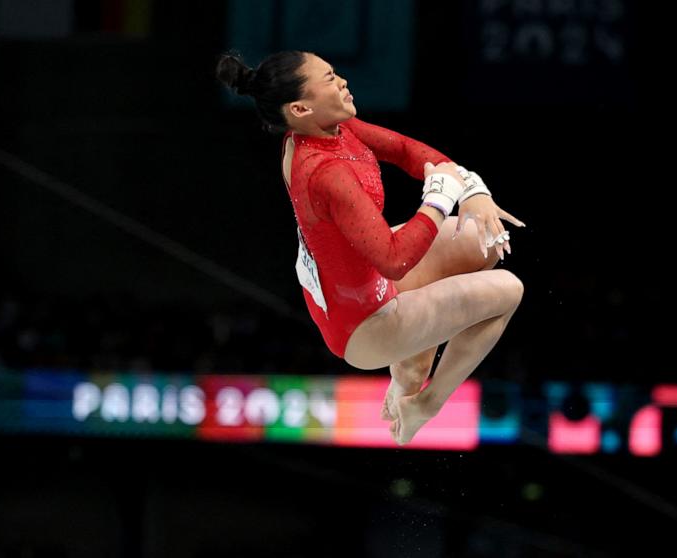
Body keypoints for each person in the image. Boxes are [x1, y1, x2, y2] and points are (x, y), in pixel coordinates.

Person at [217, 51, 525, 445]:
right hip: (365, 325)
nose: (343, 81)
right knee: (508, 290)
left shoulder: (332, 129)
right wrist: (438, 200)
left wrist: (473, 191)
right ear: (300, 106)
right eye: (329, 78)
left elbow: (405, 151)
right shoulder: (324, 173)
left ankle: (409, 370)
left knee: (486, 238)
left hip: (358, 282)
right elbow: (395, 259)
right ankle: (425, 404)